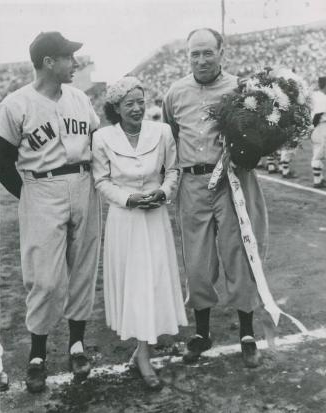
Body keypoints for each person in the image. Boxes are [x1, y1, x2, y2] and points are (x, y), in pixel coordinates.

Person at [0, 32, 101, 393]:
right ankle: (37, 354)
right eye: (68, 58)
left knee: (83, 267)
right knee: (44, 277)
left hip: (83, 182)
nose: (74, 63)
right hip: (41, 187)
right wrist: (27, 194)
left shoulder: (78, 98)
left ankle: (76, 344)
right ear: (48, 62)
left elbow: (97, 141)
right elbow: (2, 159)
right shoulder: (15, 104)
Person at [163, 28, 268, 367]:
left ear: (222, 51)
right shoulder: (175, 92)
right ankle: (202, 333)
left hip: (232, 181)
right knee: (196, 260)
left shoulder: (240, 89)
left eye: (208, 52)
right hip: (193, 183)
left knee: (238, 252)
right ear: (187, 55)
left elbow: (258, 137)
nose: (201, 59)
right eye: (195, 53)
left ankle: (247, 332)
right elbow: (171, 134)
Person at [92, 76, 187, 390]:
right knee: (134, 283)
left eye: (139, 101)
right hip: (125, 221)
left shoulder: (162, 132)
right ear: (116, 108)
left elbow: (173, 170)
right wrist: (127, 198)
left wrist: (163, 192)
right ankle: (142, 354)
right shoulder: (104, 137)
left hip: (155, 219)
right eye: (128, 104)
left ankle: (143, 353)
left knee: (154, 281)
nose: (136, 109)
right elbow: (101, 180)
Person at [310, 76, 326, 188]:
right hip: (320, 127)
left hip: (318, 128)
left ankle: (319, 178)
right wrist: (312, 127)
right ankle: (317, 181)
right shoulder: (321, 97)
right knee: (318, 155)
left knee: (318, 153)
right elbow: (318, 115)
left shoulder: (316, 95)